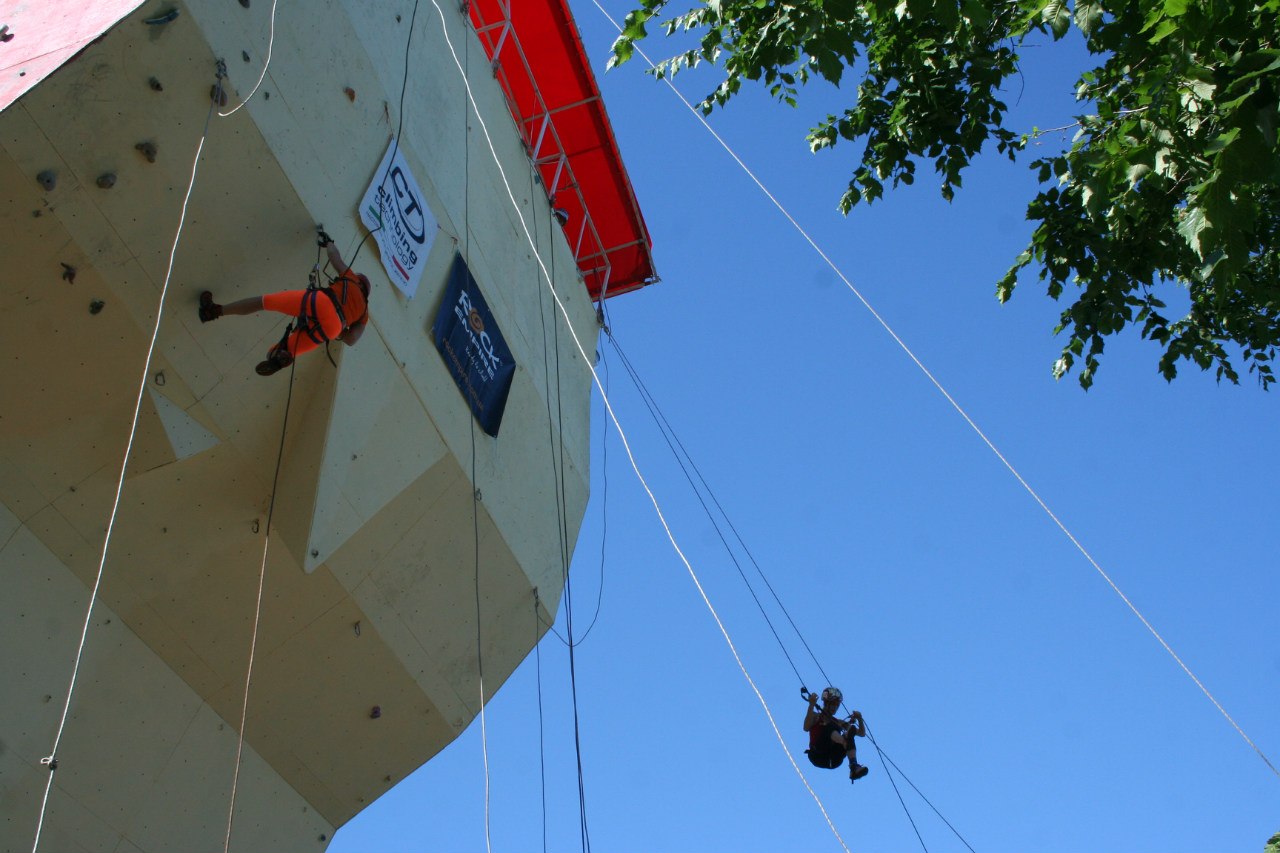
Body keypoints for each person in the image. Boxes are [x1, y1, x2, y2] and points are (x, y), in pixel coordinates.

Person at [198, 230, 370, 376]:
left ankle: (214, 311)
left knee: (265, 302)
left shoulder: (352, 279)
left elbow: (335, 258)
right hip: (332, 329)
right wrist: (341, 329)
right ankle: (279, 358)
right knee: (279, 350)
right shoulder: (364, 313)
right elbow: (351, 340)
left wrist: (329, 242)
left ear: (360, 282)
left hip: (322, 303)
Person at [803, 687, 869, 782]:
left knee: (847, 730)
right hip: (818, 755)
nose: (835, 708)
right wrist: (811, 705)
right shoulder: (816, 716)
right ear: (826, 703)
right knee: (832, 727)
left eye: (837, 705)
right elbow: (806, 727)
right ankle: (845, 741)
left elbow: (862, 733)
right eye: (833, 704)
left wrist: (860, 719)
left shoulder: (838, 722)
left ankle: (853, 766)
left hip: (834, 760)